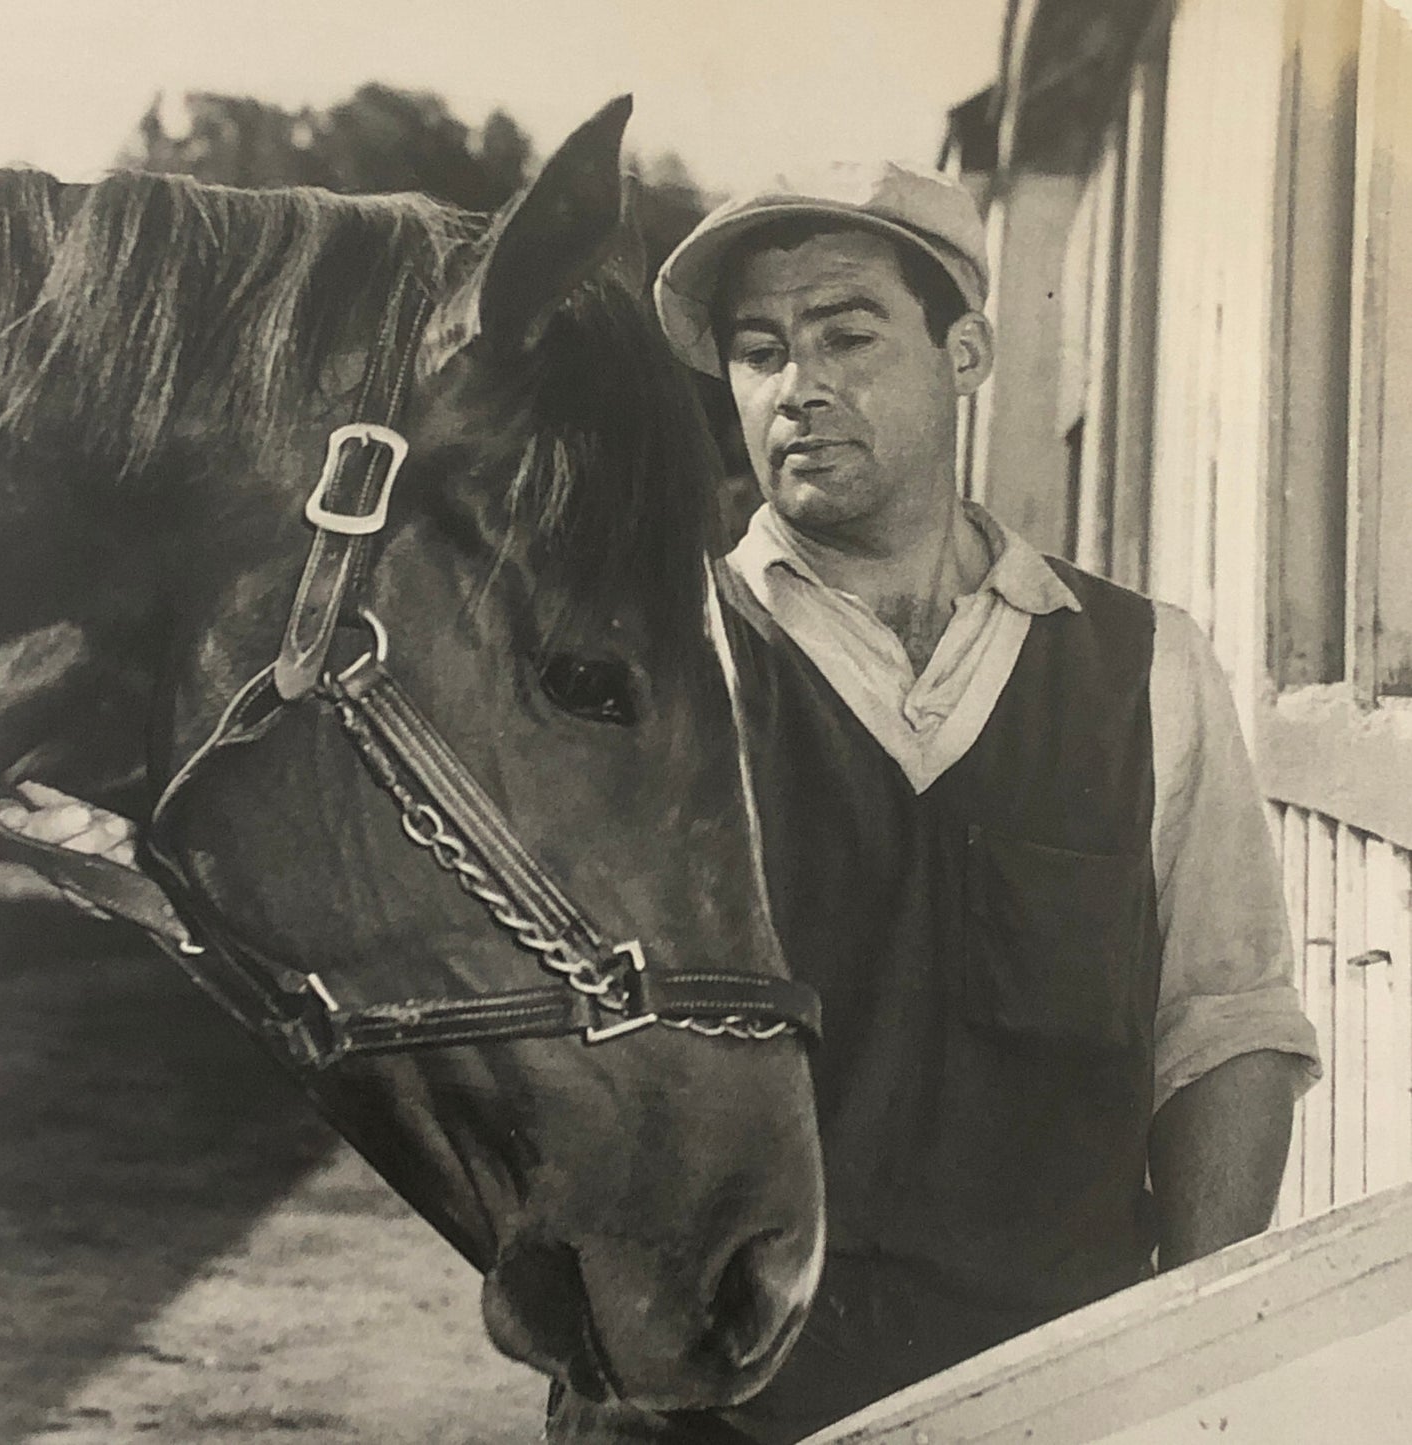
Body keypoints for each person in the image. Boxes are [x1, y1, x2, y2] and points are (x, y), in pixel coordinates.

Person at [546, 163, 1321, 1442]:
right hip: (706, 1406)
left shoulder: (1142, 665)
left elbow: (1222, 1027)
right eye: (756, 352)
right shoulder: (650, 665)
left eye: (847, 333)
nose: (798, 385)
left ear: (964, 353)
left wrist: (1190, 1357)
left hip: (1051, 1394)